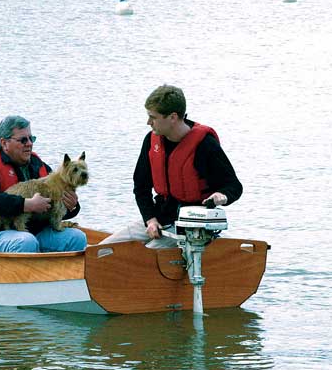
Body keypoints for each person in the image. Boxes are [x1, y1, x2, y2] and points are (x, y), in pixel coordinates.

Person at [99, 84, 242, 248]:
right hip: (159, 219)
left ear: (173, 117)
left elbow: (234, 186)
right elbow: (141, 187)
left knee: (146, 259)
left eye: (153, 117)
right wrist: (150, 219)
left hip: (191, 228)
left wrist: (221, 196)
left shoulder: (205, 145)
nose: (148, 122)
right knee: (100, 251)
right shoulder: (151, 141)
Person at [0, 115, 87, 253]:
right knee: (26, 242)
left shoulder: (38, 164)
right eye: (23, 140)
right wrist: (26, 205)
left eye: (32, 138)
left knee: (77, 238)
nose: (29, 143)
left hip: (35, 231)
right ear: (4, 143)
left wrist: (72, 206)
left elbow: (55, 210)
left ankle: (62, 274)